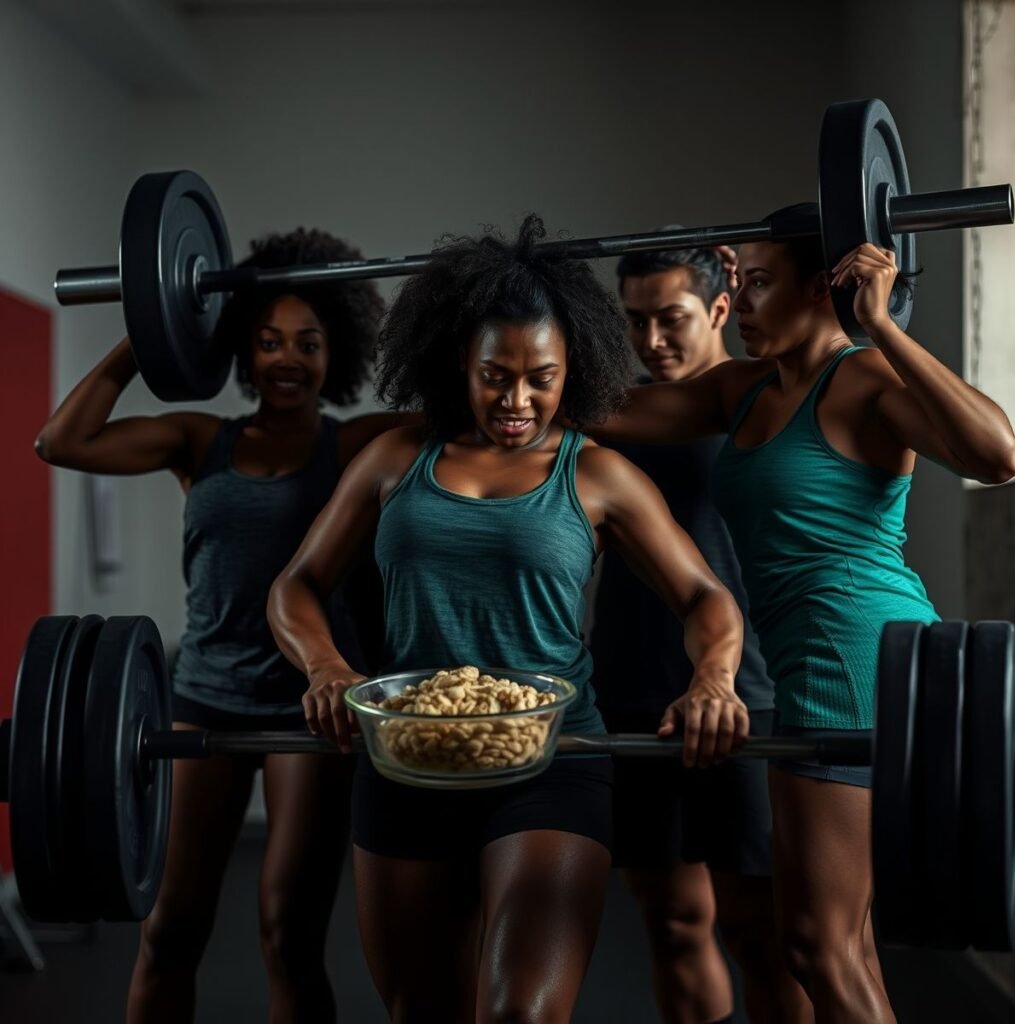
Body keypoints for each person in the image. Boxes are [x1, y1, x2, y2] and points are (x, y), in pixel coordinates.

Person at [267, 216, 749, 1024]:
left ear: (573, 370)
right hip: (407, 759)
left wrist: (714, 678)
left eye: (541, 378)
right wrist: (325, 667)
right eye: (495, 376)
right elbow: (296, 585)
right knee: (423, 1012)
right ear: (460, 360)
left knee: (521, 1013)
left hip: (551, 760)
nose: (517, 401)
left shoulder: (597, 474)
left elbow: (705, 597)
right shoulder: (394, 460)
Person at [583, 205, 1015, 1023]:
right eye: (737, 280)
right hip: (810, 665)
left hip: (854, 662)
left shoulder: (863, 377)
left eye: (757, 282)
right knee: (835, 944)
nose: (740, 302)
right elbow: (598, 412)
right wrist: (507, 353)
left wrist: (880, 325)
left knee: (820, 946)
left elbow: (1000, 455)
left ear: (823, 288)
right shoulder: (744, 389)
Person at [34, 228, 406, 1024]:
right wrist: (156, 329)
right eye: (268, 340)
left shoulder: (356, 445)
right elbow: (61, 441)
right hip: (203, 694)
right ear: (241, 346)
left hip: (312, 706)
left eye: (307, 343)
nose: (286, 359)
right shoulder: (199, 439)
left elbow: (457, 414)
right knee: (169, 929)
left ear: (335, 351)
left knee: (289, 935)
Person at [590, 241, 807, 1024]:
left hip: (749, 691)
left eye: (670, 318)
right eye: (635, 321)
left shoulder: (763, 397)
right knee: (673, 922)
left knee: (764, 934)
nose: (650, 341)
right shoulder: (611, 417)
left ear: (720, 307)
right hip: (632, 686)